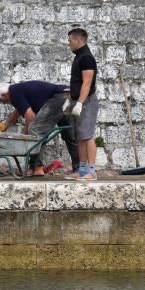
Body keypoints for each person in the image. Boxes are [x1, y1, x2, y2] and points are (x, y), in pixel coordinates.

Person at [0, 80, 80, 176]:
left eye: (1, 101)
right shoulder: (18, 90)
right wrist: (6, 124)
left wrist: (26, 134)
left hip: (58, 99)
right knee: (70, 134)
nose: (3, 103)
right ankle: (78, 168)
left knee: (35, 131)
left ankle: (37, 168)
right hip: (69, 96)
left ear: (4, 95)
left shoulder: (14, 93)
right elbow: (19, 110)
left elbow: (30, 116)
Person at [62, 28, 99, 181]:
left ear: (78, 40)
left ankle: (91, 171)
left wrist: (80, 103)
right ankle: (82, 170)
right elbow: (76, 83)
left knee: (87, 136)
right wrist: (70, 100)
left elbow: (87, 83)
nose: (68, 44)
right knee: (80, 137)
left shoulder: (86, 58)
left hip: (87, 101)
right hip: (79, 101)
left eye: (70, 41)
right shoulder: (79, 57)